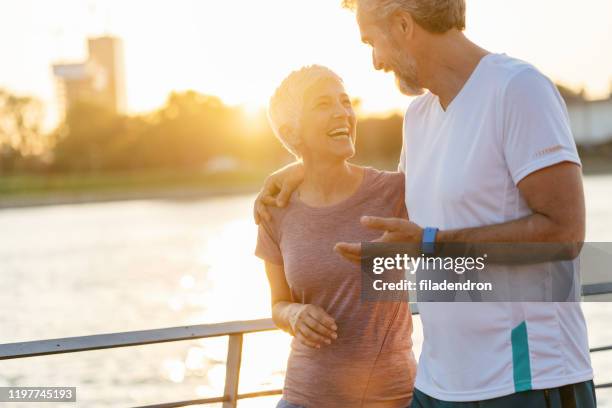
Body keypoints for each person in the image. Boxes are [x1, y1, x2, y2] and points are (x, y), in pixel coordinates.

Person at [254, 1, 596, 407]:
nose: (377, 62)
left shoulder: (518, 88)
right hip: (436, 387)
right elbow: (400, 198)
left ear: (402, 25)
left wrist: (433, 243)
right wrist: (301, 170)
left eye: (371, 43)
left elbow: (565, 232)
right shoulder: (418, 118)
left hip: (523, 381)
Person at [255, 65, 416, 408]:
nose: (343, 112)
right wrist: (294, 316)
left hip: (393, 399)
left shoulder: (395, 192)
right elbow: (278, 304)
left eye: (345, 101)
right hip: (305, 398)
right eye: (323, 104)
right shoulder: (275, 210)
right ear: (291, 132)